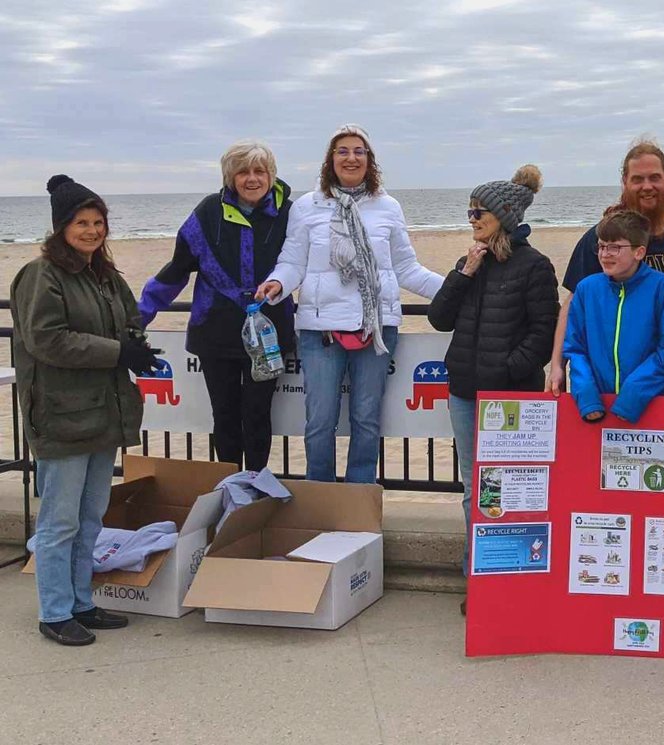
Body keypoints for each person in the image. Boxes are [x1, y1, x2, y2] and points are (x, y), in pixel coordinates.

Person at [11, 176, 161, 646]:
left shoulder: (106, 276)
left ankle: (80, 601)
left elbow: (129, 321)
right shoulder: (42, 276)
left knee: (91, 517)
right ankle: (54, 612)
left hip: (103, 413)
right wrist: (118, 352)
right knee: (60, 520)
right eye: (82, 223)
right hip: (61, 414)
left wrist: (135, 344)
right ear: (61, 228)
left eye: (98, 223)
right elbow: (47, 339)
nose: (92, 231)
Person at [256, 124, 443, 483]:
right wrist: (278, 283)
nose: (351, 157)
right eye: (342, 151)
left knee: (366, 419)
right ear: (330, 159)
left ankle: (359, 498)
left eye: (359, 151)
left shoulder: (388, 206)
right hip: (320, 330)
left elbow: (405, 267)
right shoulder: (308, 206)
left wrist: (456, 289)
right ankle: (321, 496)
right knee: (320, 420)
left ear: (369, 159)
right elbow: (293, 261)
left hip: (376, 329)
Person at [427, 165, 560, 610]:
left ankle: (515, 577)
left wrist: (507, 370)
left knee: (513, 488)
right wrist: (464, 272)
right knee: (475, 490)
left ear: (503, 214)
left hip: (513, 399)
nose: (471, 217)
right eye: (469, 210)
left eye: (478, 210)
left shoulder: (535, 266)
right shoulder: (472, 262)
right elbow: (439, 319)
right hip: (465, 394)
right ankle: (479, 576)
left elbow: (543, 334)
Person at [139, 140, 294, 471]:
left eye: (259, 171)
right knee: (224, 415)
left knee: (257, 415)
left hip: (269, 334)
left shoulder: (290, 213)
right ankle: (229, 484)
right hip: (215, 333)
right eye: (242, 172)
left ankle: (254, 485)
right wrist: (139, 315)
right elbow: (177, 269)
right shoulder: (207, 212)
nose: (252, 179)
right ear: (229, 177)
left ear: (271, 175)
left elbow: (307, 264)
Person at [547, 139, 664, 395]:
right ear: (625, 182)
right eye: (638, 179)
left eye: (655, 177)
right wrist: (557, 365)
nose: (647, 186)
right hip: (613, 379)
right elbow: (573, 303)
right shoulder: (602, 239)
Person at [563, 210, 664, 424]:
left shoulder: (662, 288)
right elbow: (574, 348)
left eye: (615, 247)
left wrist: (633, 395)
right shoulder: (586, 289)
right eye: (601, 246)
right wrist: (587, 395)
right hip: (597, 406)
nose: (605, 254)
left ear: (639, 252)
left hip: (650, 404)